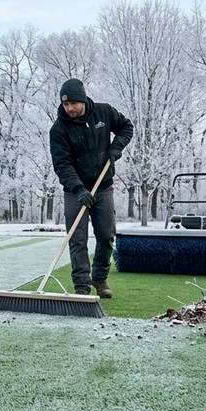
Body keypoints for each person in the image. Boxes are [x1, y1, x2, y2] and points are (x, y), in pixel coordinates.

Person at [48, 78, 134, 298]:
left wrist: (116, 148)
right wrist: (79, 190)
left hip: (103, 186)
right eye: (65, 105)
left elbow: (126, 127)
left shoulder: (104, 113)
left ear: (83, 99)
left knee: (106, 235)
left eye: (73, 104)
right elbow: (62, 164)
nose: (70, 109)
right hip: (75, 191)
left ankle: (100, 279)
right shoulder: (59, 129)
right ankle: (82, 285)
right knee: (77, 239)